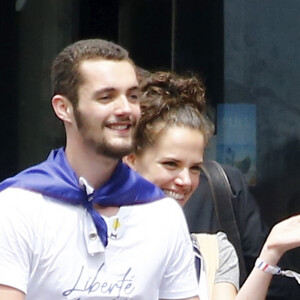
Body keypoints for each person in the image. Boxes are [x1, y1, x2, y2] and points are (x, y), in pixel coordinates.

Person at [0, 39, 199, 300]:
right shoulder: (18, 207)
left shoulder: (163, 213)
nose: (125, 109)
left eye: (133, 96)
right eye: (106, 97)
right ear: (64, 108)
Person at [123, 70, 300, 300]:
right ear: (131, 160)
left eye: (195, 167)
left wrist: (271, 251)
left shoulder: (212, 250)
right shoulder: (95, 238)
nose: (185, 180)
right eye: (170, 164)